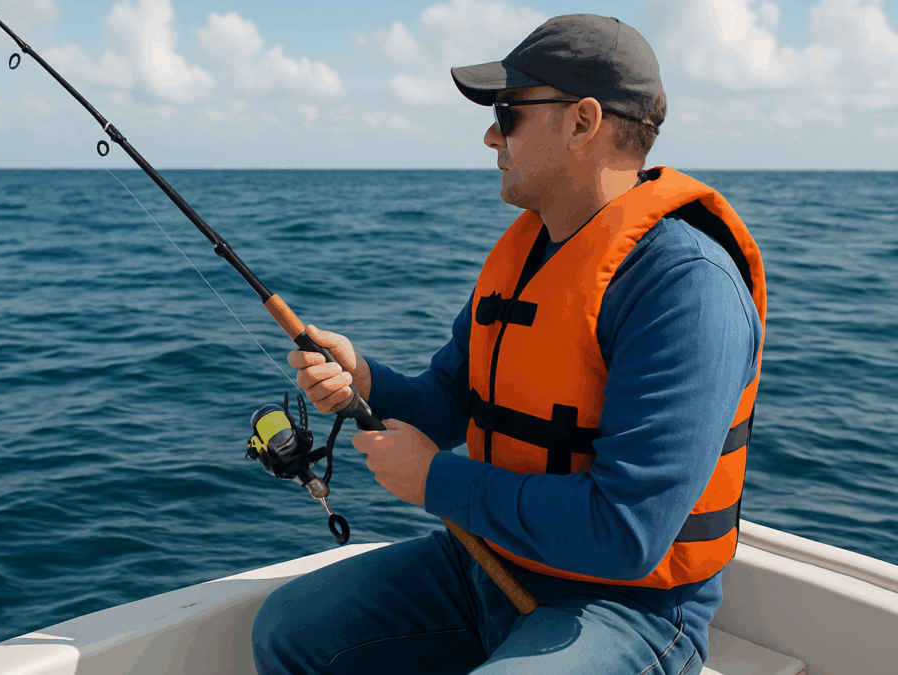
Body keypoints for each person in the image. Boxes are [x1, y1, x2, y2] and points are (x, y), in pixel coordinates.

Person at [252, 13, 766, 675]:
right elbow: (447, 405)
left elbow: (627, 532)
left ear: (582, 122)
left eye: (509, 113)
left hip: (627, 607)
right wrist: (365, 381)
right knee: (291, 630)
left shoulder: (686, 285)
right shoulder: (529, 252)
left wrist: (436, 480)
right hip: (487, 561)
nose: (491, 134)